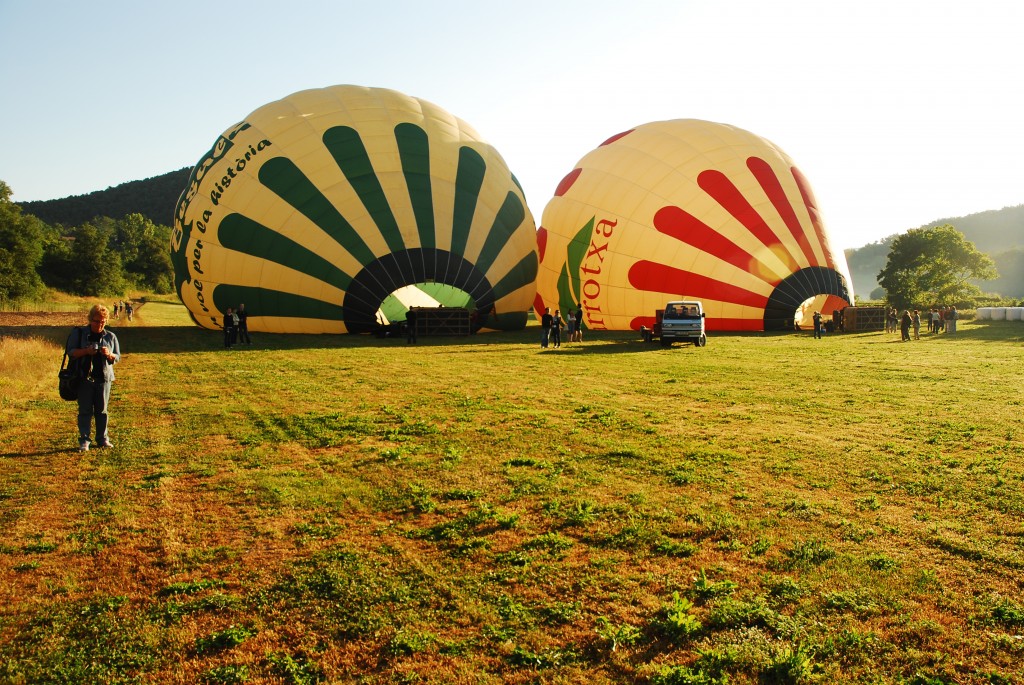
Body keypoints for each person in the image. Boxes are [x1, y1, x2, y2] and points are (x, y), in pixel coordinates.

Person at [67, 304, 121, 452]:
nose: (100, 324)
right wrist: (86, 351)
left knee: (102, 411)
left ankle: (102, 439)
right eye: (97, 321)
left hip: (104, 379)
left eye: (103, 321)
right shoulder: (79, 333)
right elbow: (70, 352)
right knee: (85, 411)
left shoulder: (110, 336)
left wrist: (109, 354)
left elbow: (117, 356)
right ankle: (84, 440)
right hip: (84, 378)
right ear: (90, 319)